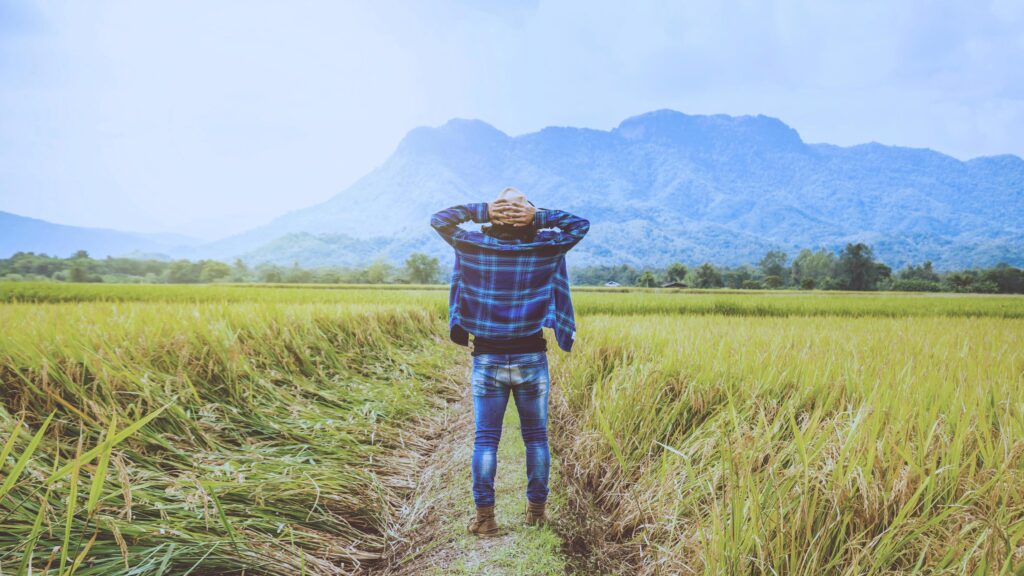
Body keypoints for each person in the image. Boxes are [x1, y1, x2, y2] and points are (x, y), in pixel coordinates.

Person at [430, 187, 590, 537]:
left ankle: (485, 519)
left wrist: (482, 210)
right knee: (536, 438)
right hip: (532, 356)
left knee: (486, 440)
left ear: (497, 216)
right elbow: (580, 225)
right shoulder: (545, 247)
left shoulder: (473, 245)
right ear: (525, 217)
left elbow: (439, 219)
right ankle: (536, 513)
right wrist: (540, 216)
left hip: (486, 358)